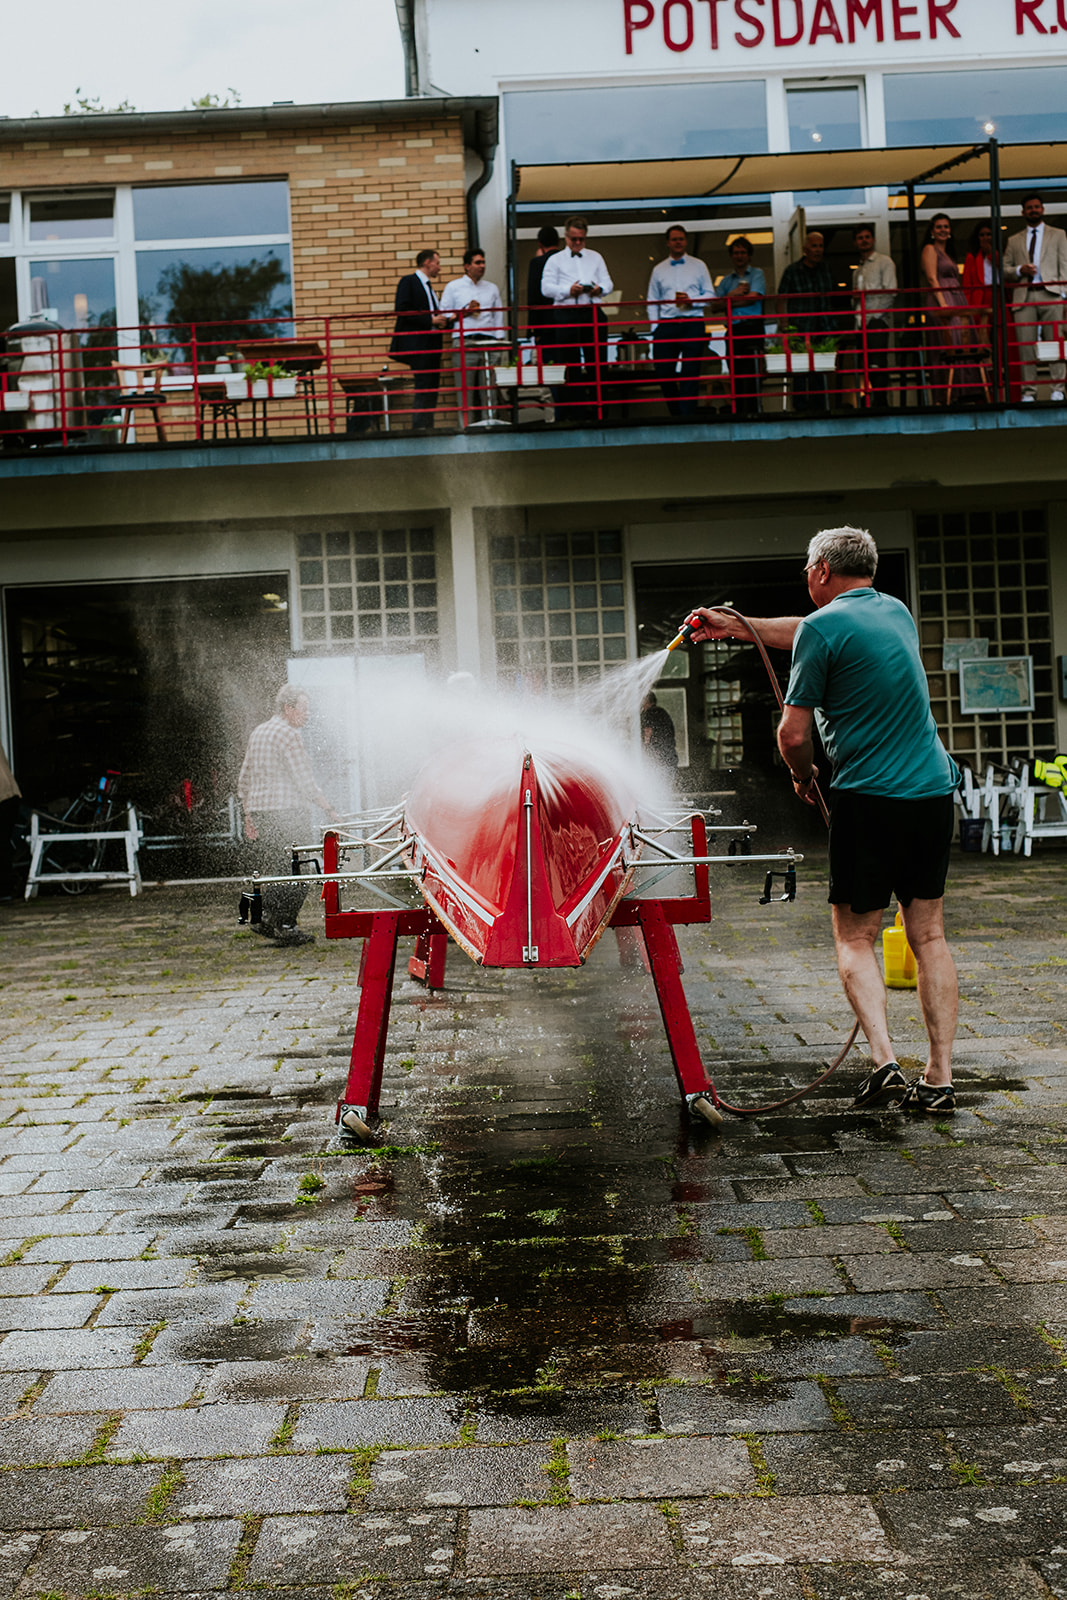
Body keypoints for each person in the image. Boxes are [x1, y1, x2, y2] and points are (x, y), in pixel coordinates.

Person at [683, 526, 959, 1116]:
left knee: (856, 937)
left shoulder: (821, 627)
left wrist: (803, 776)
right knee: (929, 934)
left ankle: (884, 1062)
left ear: (822, 571)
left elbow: (792, 734)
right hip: (933, 791)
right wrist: (738, 626)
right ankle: (939, 1077)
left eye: (808, 569)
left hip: (868, 799)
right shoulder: (896, 613)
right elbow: (814, 633)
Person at [238, 685, 342, 947]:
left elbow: (245, 778)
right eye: (304, 709)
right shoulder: (288, 735)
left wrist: (248, 815)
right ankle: (285, 923)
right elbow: (304, 781)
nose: (307, 715)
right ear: (289, 708)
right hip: (287, 812)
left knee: (278, 866)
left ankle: (268, 917)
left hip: (263, 812)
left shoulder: (259, 732)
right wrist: (328, 808)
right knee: (300, 868)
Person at [540, 215, 613, 418]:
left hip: (592, 311)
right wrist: (567, 290)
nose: (578, 243)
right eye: (574, 239)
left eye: (581, 239)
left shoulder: (596, 257)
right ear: (566, 237)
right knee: (569, 365)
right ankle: (572, 413)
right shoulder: (555, 260)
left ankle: (600, 412)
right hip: (566, 313)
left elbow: (609, 283)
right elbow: (545, 288)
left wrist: (600, 289)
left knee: (597, 363)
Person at [1004, 192, 1067, 403]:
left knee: (1056, 344)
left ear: (1043, 209)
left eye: (1037, 207)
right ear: (1023, 212)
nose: (1034, 210)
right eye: (1030, 207)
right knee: (1025, 346)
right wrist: (1020, 269)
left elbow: (1065, 265)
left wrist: (1064, 295)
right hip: (1025, 296)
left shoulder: (1058, 234)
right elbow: (1004, 270)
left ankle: (1057, 389)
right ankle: (1028, 392)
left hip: (1051, 293)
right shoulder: (1014, 240)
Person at [646, 225, 713, 418]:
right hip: (667, 325)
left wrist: (692, 300)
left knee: (690, 372)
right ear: (668, 242)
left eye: (681, 239)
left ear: (686, 241)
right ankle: (677, 413)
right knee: (664, 372)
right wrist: (655, 327)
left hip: (692, 322)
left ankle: (687, 416)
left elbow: (710, 295)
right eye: (674, 239)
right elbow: (652, 301)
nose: (678, 242)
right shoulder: (658, 269)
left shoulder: (699, 265)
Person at [920, 213, 983, 404]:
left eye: (946, 227)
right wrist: (944, 304)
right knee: (948, 343)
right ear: (932, 231)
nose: (943, 230)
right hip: (943, 300)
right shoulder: (929, 249)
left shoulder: (948, 252)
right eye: (938, 227)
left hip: (956, 299)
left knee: (964, 342)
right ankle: (947, 394)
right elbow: (932, 278)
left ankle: (965, 391)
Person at [439, 247, 506, 425]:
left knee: (489, 390)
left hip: (488, 342)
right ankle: (467, 428)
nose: (482, 266)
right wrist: (464, 312)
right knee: (465, 390)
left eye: (483, 262)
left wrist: (499, 343)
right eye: (478, 262)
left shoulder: (491, 288)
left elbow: (498, 317)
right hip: (465, 341)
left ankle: (490, 426)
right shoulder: (453, 287)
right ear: (467, 266)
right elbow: (444, 315)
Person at [775, 231, 837, 412]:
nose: (818, 250)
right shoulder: (792, 271)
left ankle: (820, 407)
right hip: (800, 328)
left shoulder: (827, 269)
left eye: (820, 246)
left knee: (820, 370)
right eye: (814, 246)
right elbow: (780, 299)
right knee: (800, 370)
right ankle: (800, 408)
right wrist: (785, 324)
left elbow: (833, 296)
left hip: (823, 327)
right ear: (805, 249)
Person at [389, 247, 448, 428]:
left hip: (431, 344)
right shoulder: (409, 282)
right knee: (423, 385)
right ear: (427, 262)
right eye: (437, 263)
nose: (439, 268)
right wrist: (430, 319)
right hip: (419, 344)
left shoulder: (428, 288)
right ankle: (420, 427)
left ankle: (426, 425)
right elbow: (402, 309)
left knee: (431, 386)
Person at [713, 236, 766, 416]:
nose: (739, 256)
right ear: (731, 256)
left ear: (749, 255)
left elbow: (754, 297)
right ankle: (740, 412)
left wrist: (728, 300)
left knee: (753, 372)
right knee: (735, 371)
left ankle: (754, 412)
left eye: (743, 252)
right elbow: (714, 306)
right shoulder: (726, 282)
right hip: (734, 329)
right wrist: (733, 295)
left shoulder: (757, 273)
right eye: (736, 253)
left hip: (753, 328)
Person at [847, 224, 896, 410]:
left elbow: (890, 292)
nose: (864, 240)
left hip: (876, 321)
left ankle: (881, 403)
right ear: (855, 243)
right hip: (860, 323)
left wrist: (874, 317)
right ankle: (873, 401)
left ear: (873, 239)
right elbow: (856, 301)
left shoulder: (884, 262)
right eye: (860, 238)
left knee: (877, 364)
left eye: (867, 237)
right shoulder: (857, 270)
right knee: (866, 365)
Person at [526, 225, 561, 351]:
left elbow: (533, 295)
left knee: (549, 365)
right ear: (559, 241)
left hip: (545, 321)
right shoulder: (565, 260)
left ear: (540, 244)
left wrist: (533, 329)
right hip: (566, 318)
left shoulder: (537, 263)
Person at [0, 743, 21, 902]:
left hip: (3, 795)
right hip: (9, 794)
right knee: (3, 843)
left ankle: (4, 889)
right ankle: (6, 888)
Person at [640, 692, 678, 775]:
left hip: (659, 756)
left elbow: (648, 732)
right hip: (670, 755)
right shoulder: (663, 712)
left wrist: (644, 750)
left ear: (646, 701)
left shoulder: (650, 712)